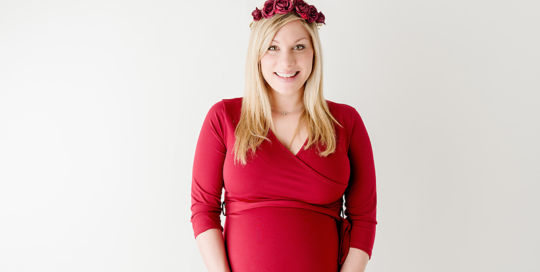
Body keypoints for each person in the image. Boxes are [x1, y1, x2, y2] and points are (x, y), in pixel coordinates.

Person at [190, 1, 377, 271]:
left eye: (299, 47)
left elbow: (363, 218)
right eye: (273, 47)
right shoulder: (224, 118)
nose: (286, 61)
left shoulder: (346, 122)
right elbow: (203, 210)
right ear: (258, 55)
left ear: (314, 52)